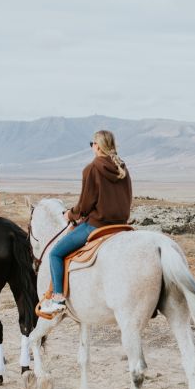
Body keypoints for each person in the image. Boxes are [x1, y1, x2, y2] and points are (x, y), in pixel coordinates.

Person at [39, 130, 133, 314]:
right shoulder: (122, 167)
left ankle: (58, 298)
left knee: (56, 253)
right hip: (121, 224)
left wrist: (71, 215)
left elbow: (85, 203)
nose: (92, 147)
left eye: (92, 144)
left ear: (97, 146)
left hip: (97, 225)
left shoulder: (92, 168)